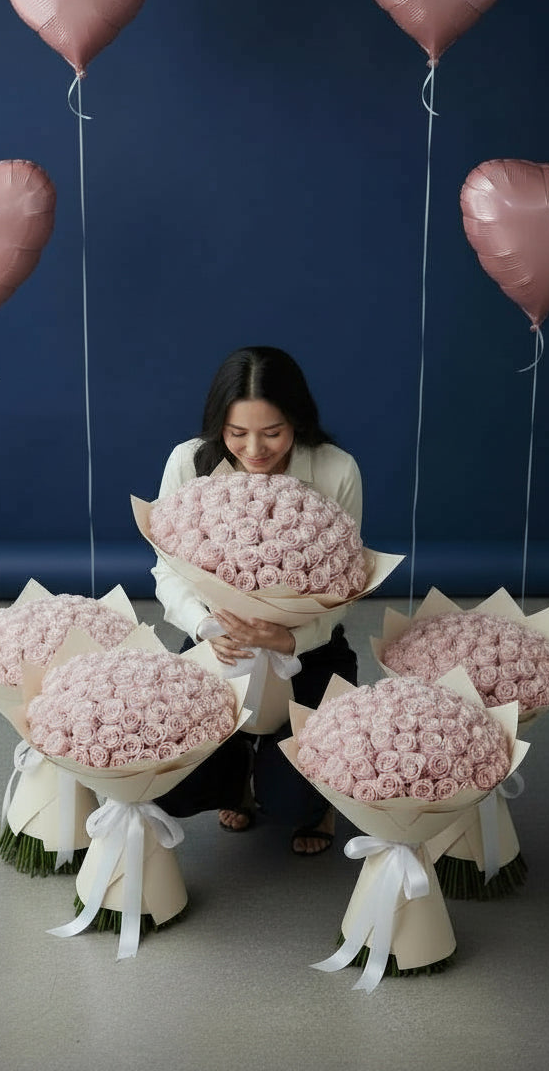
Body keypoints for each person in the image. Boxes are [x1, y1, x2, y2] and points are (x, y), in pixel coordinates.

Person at [152, 345, 362, 855]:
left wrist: (290, 638)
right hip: (219, 643)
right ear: (218, 425)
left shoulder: (336, 469)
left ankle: (310, 800)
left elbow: (348, 582)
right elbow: (166, 569)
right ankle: (239, 779)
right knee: (172, 785)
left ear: (297, 421)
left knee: (293, 803)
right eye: (236, 433)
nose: (254, 449)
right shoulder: (189, 461)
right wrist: (203, 625)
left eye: (272, 432)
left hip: (307, 650)